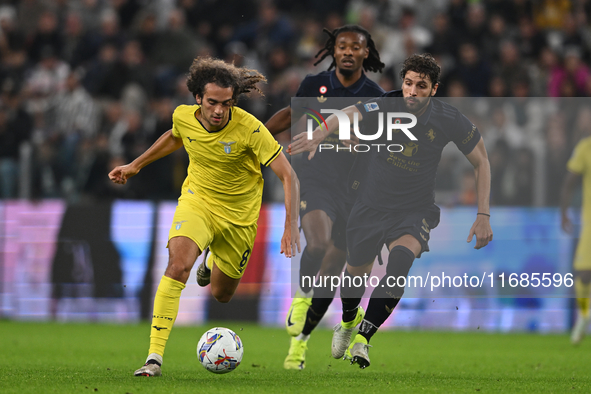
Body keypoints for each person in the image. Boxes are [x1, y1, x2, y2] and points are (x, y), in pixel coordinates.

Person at [290, 53, 493, 368]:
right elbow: (346, 114)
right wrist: (319, 134)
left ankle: (363, 339)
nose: (412, 91)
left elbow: (481, 160)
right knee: (353, 283)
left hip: (414, 210)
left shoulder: (448, 118)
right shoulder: (386, 105)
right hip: (369, 207)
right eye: (408, 83)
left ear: (434, 89)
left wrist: (483, 215)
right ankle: (347, 322)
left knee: (399, 263)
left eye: (421, 86)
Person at [108, 57, 300, 377]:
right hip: (198, 203)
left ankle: (210, 262)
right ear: (198, 97)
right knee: (178, 266)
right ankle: (154, 358)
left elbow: (288, 176)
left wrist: (289, 225)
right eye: (212, 102)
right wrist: (135, 165)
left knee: (222, 295)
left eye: (226, 104)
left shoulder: (250, 128)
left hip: (239, 219)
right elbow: (175, 135)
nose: (218, 111)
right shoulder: (184, 116)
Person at [265, 25, 385, 370]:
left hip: (354, 189)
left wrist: (358, 140)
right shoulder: (312, 85)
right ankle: (301, 297)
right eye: (342, 46)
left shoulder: (375, 95)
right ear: (333, 50)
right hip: (314, 179)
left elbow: (382, 144)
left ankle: (299, 344)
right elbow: (292, 117)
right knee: (316, 243)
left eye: (355, 47)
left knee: (333, 270)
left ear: (366, 53)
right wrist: (254, 134)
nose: (348, 52)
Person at [561, 135, 591, 344]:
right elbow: (570, 181)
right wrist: (563, 212)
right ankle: (583, 314)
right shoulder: (585, 147)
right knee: (584, 273)